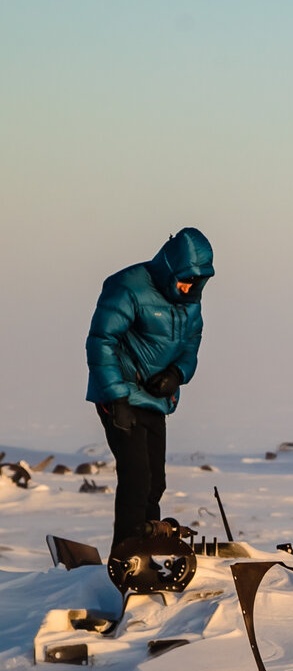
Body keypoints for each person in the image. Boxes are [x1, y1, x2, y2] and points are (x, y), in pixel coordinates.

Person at [86, 227, 215, 552]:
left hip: (156, 401)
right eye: (185, 279)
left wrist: (177, 373)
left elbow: (192, 344)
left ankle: (150, 550)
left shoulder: (190, 304)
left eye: (196, 282)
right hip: (119, 396)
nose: (189, 288)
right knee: (136, 478)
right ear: (171, 269)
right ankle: (126, 556)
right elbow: (101, 340)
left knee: (155, 482)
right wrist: (116, 397)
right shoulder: (128, 286)